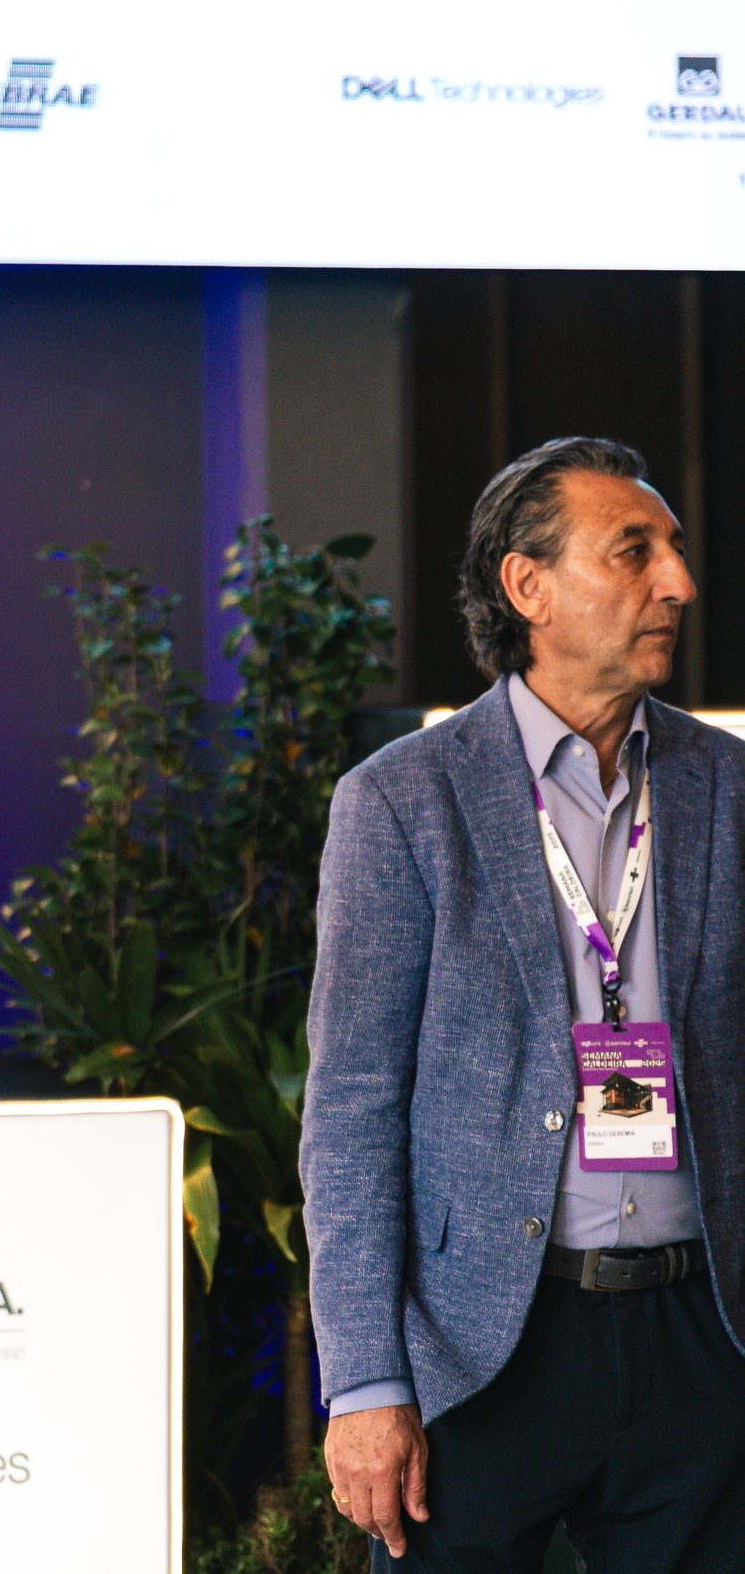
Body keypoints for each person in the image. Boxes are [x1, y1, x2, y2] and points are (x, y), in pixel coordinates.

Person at [303, 436, 745, 1571]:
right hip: (483, 1345)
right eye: (633, 551)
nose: (679, 583)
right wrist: (365, 1378)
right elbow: (351, 1107)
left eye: (674, 551)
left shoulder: (727, 784)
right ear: (527, 585)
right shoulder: (402, 799)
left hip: (704, 1341)